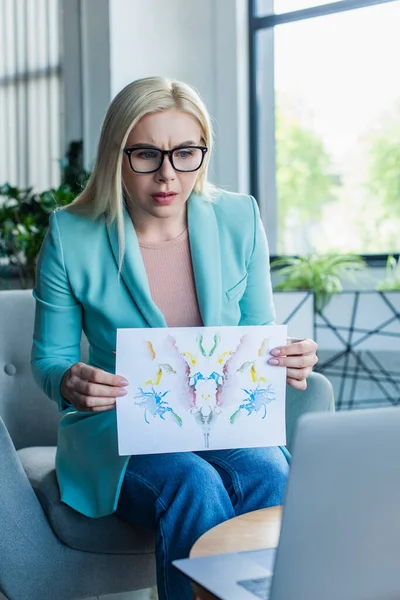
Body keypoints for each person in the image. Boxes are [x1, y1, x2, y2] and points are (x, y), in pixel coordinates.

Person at [31, 76, 318, 600]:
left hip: (222, 421)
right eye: (145, 154)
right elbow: (51, 360)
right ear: (117, 155)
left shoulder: (239, 218)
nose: (167, 175)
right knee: (193, 483)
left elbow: (255, 332)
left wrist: (286, 356)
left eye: (185, 153)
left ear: (202, 153)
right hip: (118, 432)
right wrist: (68, 380)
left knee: (270, 471)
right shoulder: (72, 234)